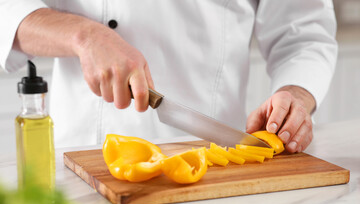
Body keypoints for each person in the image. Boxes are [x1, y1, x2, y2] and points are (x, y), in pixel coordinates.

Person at [0, 0, 337, 153]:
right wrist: (82, 36)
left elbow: (304, 33)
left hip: (212, 169)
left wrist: (297, 95)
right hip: (75, 159)